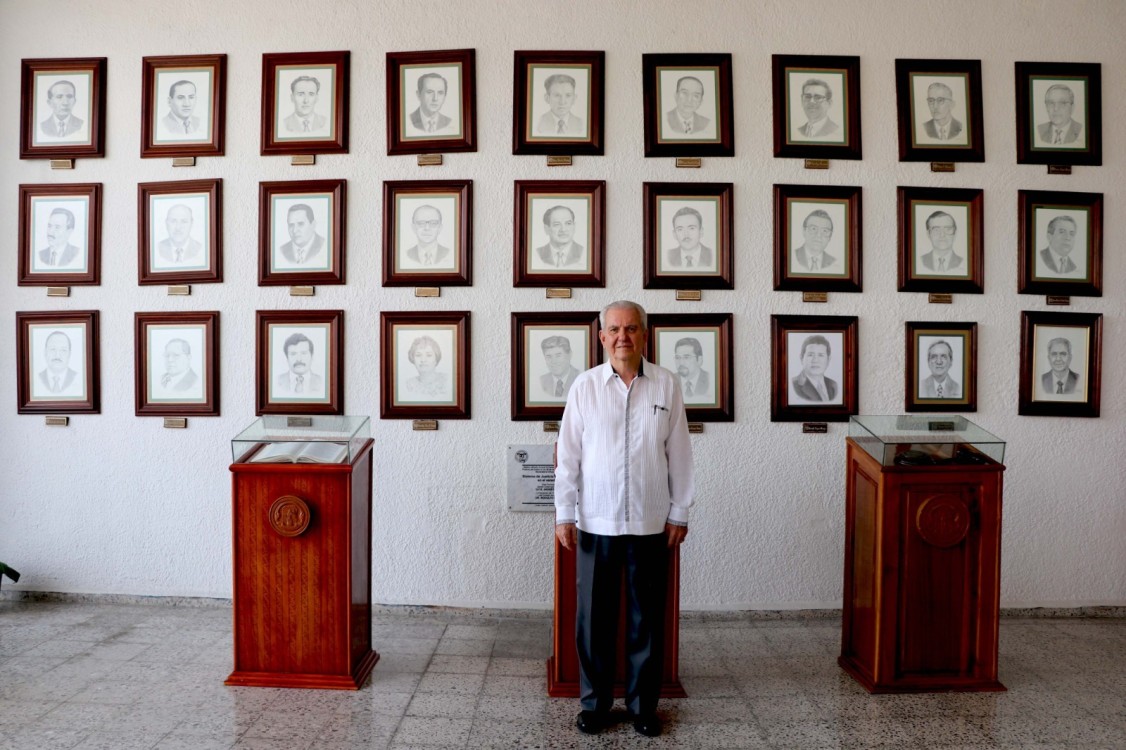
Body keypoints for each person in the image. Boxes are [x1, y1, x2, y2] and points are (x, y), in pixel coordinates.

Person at [554, 300, 694, 739]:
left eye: (631, 329)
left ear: (644, 335)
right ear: (601, 337)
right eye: (614, 329)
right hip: (596, 522)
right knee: (593, 622)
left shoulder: (666, 386)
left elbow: (681, 455)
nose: (622, 337)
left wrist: (680, 511)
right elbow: (568, 457)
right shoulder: (585, 387)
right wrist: (563, 513)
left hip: (651, 523)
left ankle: (642, 708)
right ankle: (594, 706)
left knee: (645, 621)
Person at [791, 334, 838, 402]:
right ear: (801, 358)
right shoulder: (793, 386)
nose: (815, 360)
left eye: (821, 355)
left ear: (828, 360)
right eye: (810, 355)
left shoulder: (834, 385)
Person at [274, 333, 323, 397]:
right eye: (293, 354)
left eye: (304, 353)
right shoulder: (275, 382)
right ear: (287, 358)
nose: (299, 359)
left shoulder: (323, 383)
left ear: (312, 356)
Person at [37, 331, 80, 396]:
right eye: (52, 349)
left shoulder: (78, 379)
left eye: (63, 350)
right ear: (45, 352)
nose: (57, 355)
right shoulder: (37, 379)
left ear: (69, 354)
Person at [673, 337, 711, 402]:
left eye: (686, 357)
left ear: (699, 360)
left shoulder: (710, 380)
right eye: (677, 357)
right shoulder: (670, 379)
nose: (681, 362)